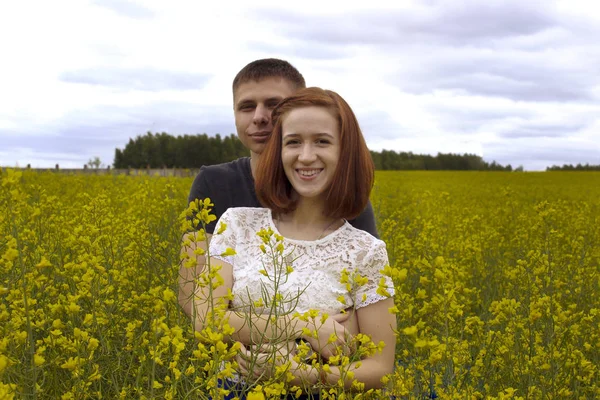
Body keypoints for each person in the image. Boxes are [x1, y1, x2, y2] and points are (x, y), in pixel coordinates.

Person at [196, 87, 396, 398]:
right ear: (279, 152)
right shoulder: (237, 224)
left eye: (322, 141)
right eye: (293, 142)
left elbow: (380, 368)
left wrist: (303, 376)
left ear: (346, 152)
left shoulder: (365, 251)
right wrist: (307, 325)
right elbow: (206, 321)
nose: (305, 156)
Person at [178, 59, 379, 318]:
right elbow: (191, 294)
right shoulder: (214, 184)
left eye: (273, 105)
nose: (259, 117)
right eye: (246, 107)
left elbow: (363, 308)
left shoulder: (340, 196)